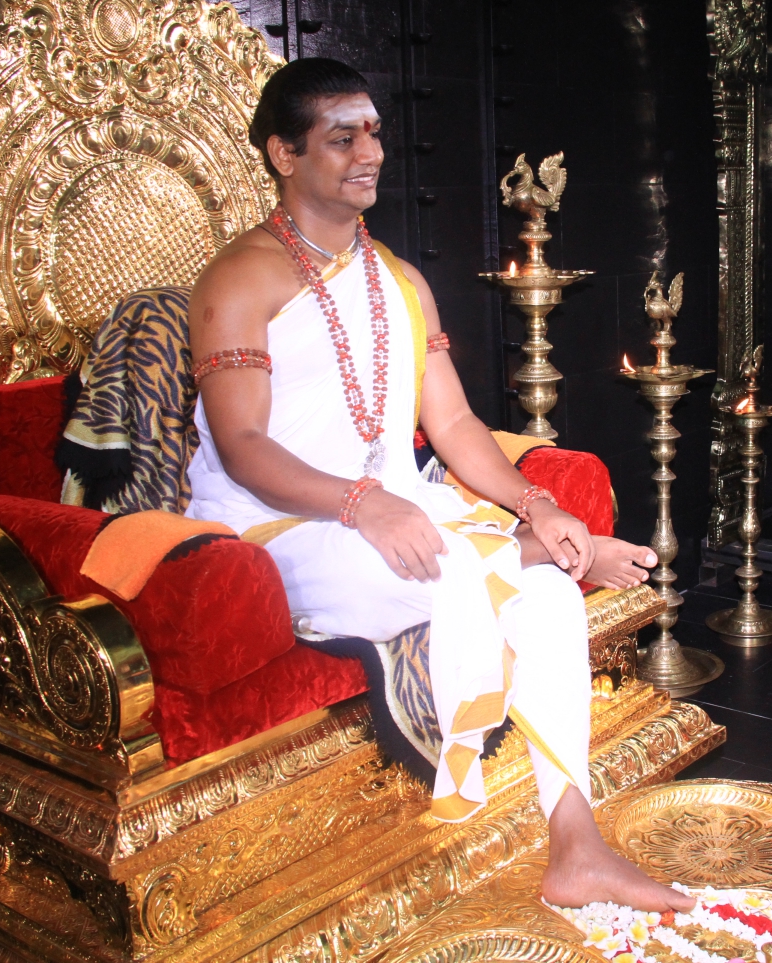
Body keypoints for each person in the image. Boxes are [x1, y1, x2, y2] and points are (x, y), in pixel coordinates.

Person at [183, 57, 690, 912]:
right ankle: (522, 552)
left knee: (546, 596)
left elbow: (452, 425)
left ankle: (577, 844)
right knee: (441, 567)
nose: (369, 153)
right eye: (341, 138)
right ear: (282, 153)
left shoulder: (401, 281)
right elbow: (240, 446)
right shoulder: (240, 277)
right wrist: (360, 502)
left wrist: (536, 501)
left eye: (373, 132)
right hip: (279, 523)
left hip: (395, 507)